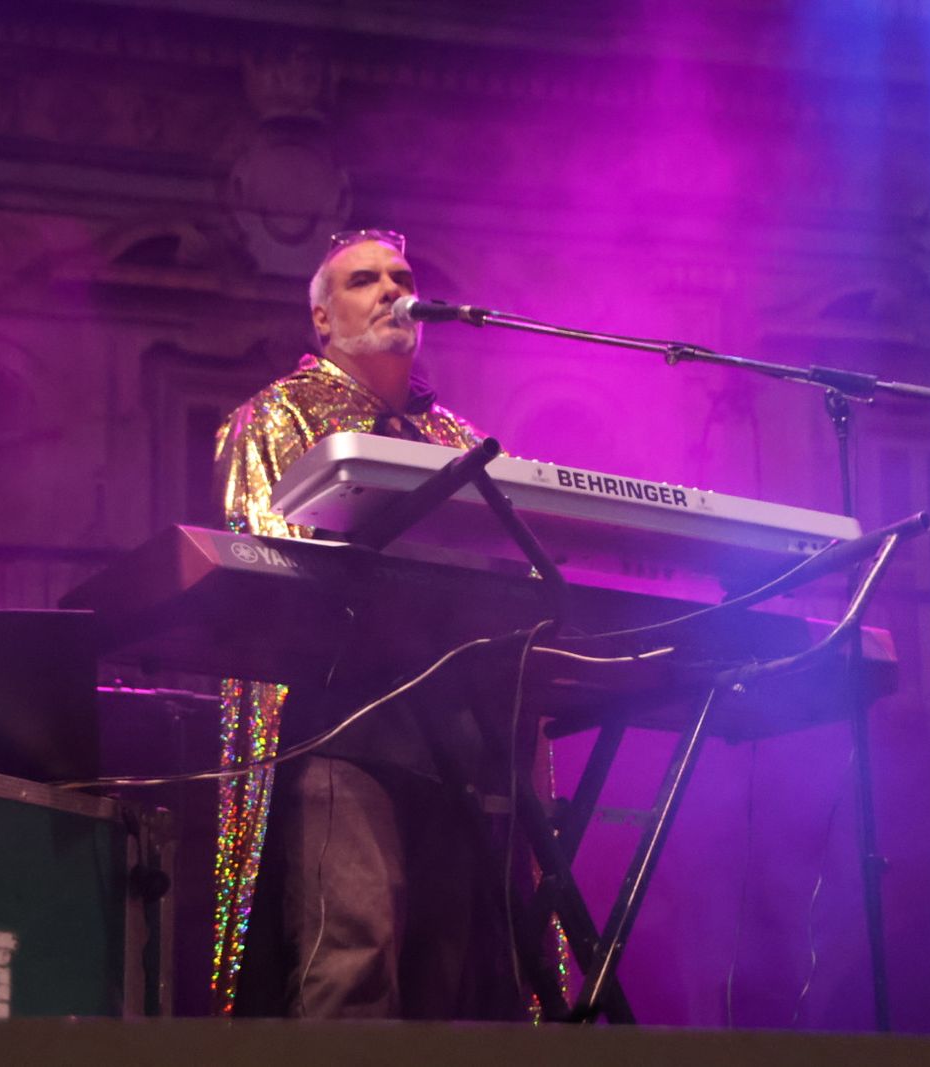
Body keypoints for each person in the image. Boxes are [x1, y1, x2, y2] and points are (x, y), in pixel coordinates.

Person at [211, 230, 524, 1020]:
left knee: (446, 979)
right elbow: (272, 564)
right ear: (321, 318)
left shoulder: (459, 438)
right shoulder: (277, 413)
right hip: (344, 723)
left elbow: (513, 568)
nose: (392, 291)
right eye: (364, 280)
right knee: (354, 955)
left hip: (457, 729)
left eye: (402, 277)